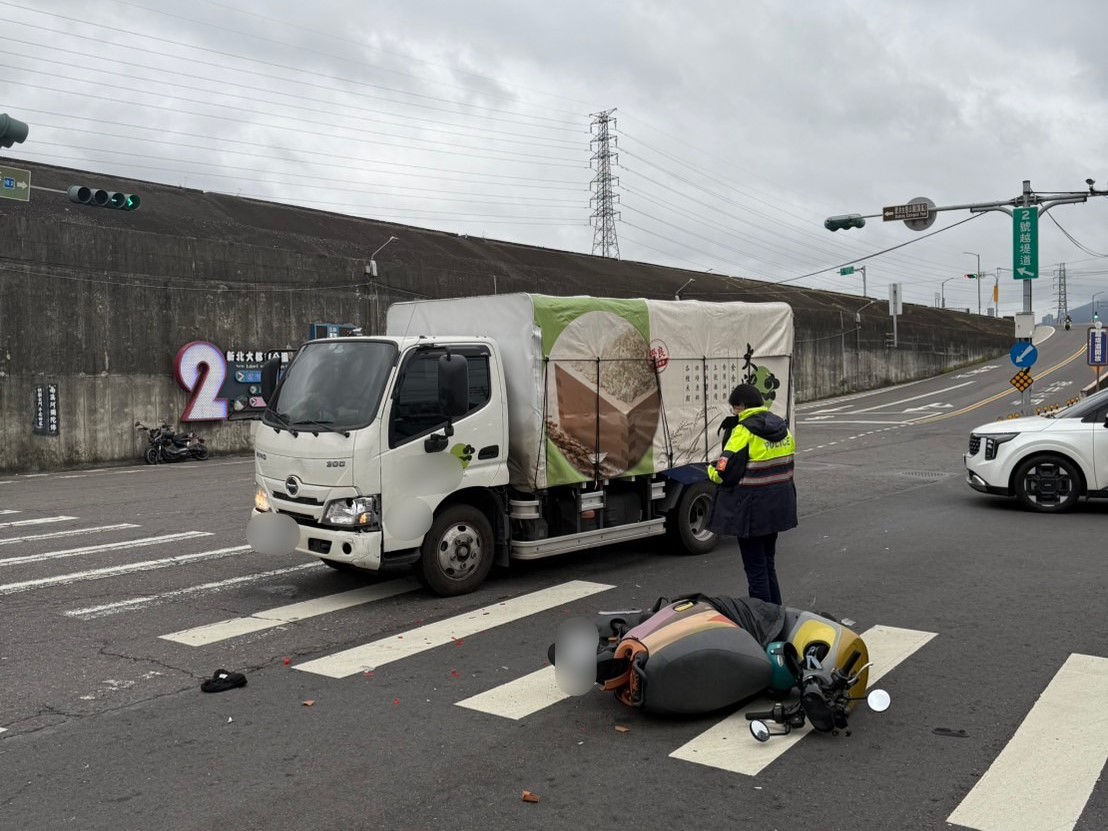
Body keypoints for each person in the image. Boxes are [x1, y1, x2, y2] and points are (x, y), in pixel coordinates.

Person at [706, 384, 797, 604]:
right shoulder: (782, 428)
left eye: (734, 408)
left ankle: (763, 619)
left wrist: (710, 470)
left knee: (755, 569)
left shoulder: (743, 430)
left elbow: (724, 472)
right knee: (767, 564)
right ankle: (776, 612)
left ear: (742, 406)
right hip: (778, 507)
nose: (733, 413)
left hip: (752, 511)